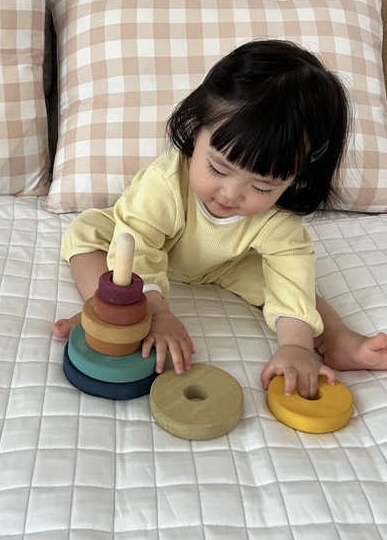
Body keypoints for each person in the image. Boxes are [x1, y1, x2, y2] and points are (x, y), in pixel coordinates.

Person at [54, 40, 387, 399]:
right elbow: (140, 241)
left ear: (297, 177)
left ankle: (335, 337)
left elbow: (291, 275)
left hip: (227, 264)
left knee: (293, 283)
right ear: (195, 127)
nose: (230, 194)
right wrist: (156, 313)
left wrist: (297, 348)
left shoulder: (278, 217)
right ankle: (105, 312)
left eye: (261, 186)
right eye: (217, 168)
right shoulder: (165, 182)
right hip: (144, 245)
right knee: (90, 233)